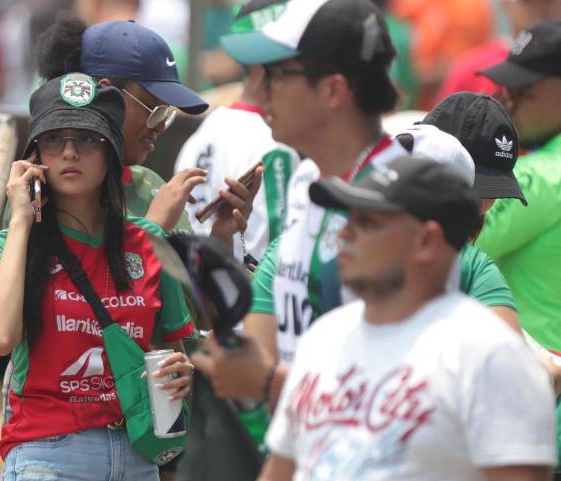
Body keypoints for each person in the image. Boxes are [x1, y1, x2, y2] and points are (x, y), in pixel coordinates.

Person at [222, 155, 559, 481]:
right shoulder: (325, 341)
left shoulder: (485, 353)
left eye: (368, 222)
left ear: (425, 242)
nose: (343, 233)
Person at [192, 0, 521, 407]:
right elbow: (261, 349)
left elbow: (408, 398)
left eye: (277, 73)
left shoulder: (404, 209)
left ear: (332, 89)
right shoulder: (307, 184)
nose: (260, 88)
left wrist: (264, 382)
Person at [0, 73, 196, 481]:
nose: (69, 153)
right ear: (34, 158)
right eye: (53, 140)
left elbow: (176, 349)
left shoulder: (147, 246)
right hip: (48, 464)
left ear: (112, 153)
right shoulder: (8, 247)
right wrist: (23, 220)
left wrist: (183, 372)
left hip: (137, 466)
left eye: (87, 140)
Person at [31, 15, 257, 237]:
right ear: (107, 95)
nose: (160, 127)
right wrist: (154, 226)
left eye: (167, 114)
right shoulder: (48, 190)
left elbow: (186, 275)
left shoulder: (150, 185)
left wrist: (221, 236)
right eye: (154, 110)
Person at [175, 0, 300, 267]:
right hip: (247, 300)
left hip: (200, 294)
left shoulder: (202, 133)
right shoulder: (274, 144)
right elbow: (279, 266)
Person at [477, 20, 561, 355]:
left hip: (540, 392)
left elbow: (437, 244)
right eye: (505, 88)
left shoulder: (541, 178)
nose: (505, 102)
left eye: (523, 90)